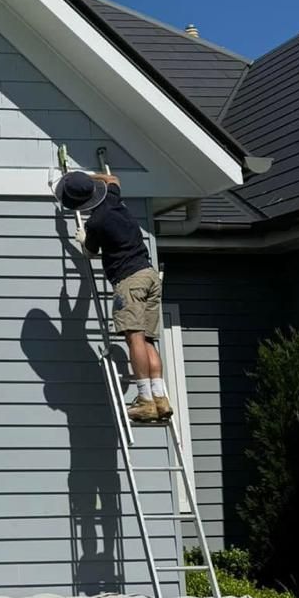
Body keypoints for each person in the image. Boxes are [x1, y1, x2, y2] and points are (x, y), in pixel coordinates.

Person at [56, 169, 172, 423]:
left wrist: (83, 240)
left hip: (129, 281)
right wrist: (88, 175)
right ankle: (160, 398)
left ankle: (144, 400)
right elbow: (113, 179)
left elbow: (89, 252)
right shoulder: (112, 198)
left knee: (135, 339)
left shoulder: (96, 222)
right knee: (149, 340)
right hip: (150, 275)